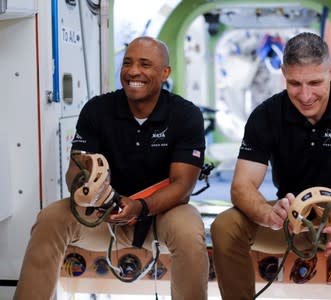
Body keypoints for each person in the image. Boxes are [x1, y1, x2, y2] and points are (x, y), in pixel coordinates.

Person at [14, 36, 209, 300]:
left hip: (160, 215)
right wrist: (88, 190)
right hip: (103, 213)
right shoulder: (97, 109)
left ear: (165, 73)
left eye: (145, 64)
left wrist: (141, 207)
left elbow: (183, 185)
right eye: (127, 63)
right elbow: (76, 169)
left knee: (189, 231)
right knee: (50, 219)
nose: (133, 71)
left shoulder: (185, 115)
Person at [211, 32, 331, 300]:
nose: (305, 95)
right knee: (225, 226)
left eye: (315, 82)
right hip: (289, 219)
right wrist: (266, 214)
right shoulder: (265, 116)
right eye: (295, 83)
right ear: (283, 73)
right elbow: (241, 187)